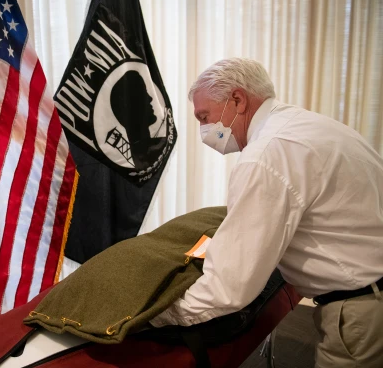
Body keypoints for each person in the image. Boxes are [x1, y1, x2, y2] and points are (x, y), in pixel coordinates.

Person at [149, 58, 383, 367]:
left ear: (237, 99)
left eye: (204, 117)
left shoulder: (265, 155)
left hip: (359, 311)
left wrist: (155, 315)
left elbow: (229, 288)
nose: (204, 131)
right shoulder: (310, 125)